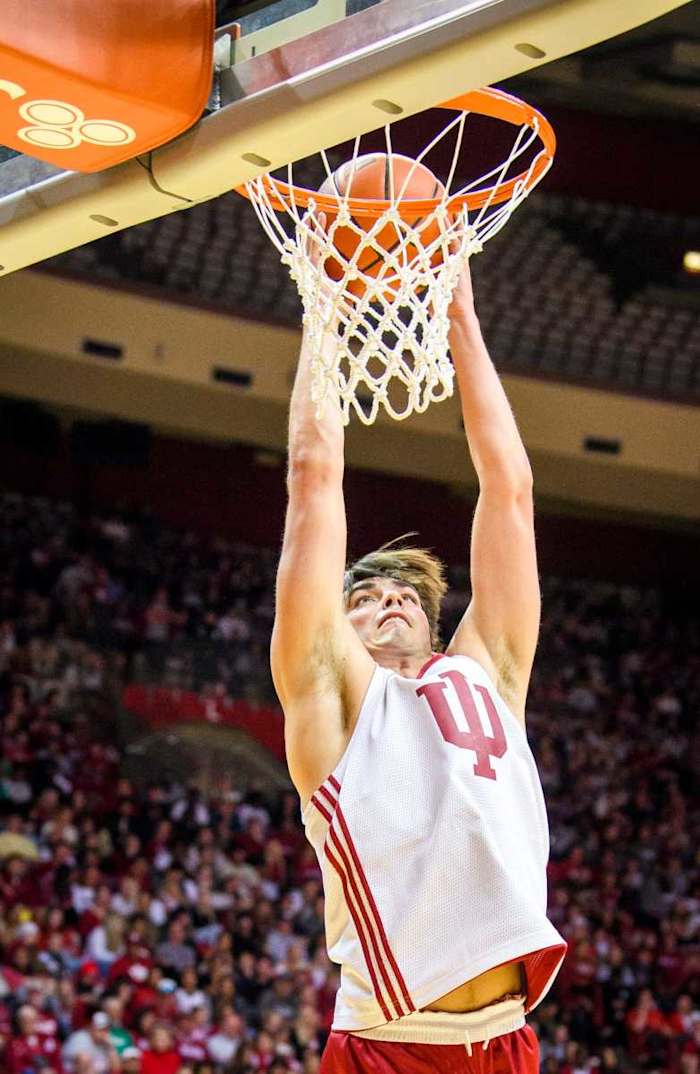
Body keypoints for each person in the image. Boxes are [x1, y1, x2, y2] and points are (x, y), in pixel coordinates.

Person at [271, 252, 567, 1071]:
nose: (392, 599)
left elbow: (509, 490)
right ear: (341, 623)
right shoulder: (331, 697)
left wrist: (460, 319)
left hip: (507, 1038)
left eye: (406, 593)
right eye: (367, 597)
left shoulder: (487, 677)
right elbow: (313, 479)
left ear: (433, 622)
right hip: (390, 1044)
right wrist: (324, 312)